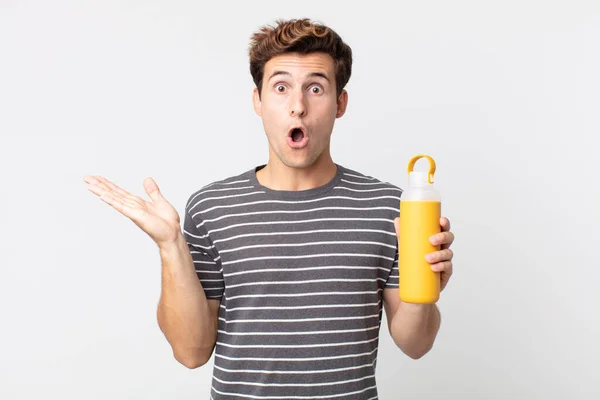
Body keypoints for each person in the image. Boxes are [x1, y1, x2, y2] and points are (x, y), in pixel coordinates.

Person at [84, 18, 455, 400]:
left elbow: (416, 344)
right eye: (281, 88)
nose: (298, 107)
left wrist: (423, 291)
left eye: (316, 88)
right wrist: (171, 246)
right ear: (258, 101)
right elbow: (191, 352)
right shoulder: (213, 209)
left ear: (340, 103)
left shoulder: (389, 208)